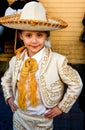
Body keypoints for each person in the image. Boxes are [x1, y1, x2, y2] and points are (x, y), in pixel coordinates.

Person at [0, 1, 83, 130]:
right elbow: (6, 79)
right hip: (19, 117)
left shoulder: (57, 61)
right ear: (21, 36)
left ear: (46, 36)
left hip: (43, 120)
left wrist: (61, 107)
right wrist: (9, 97)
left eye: (39, 35)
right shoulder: (15, 60)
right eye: (28, 35)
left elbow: (76, 83)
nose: (34, 40)